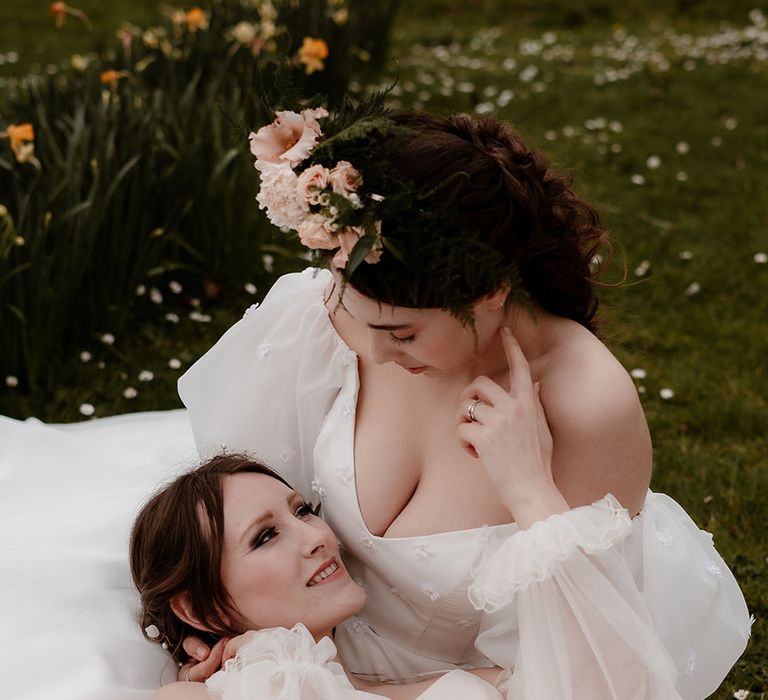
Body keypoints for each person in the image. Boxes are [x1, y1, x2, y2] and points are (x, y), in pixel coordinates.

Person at [177, 108, 751, 697]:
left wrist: (531, 491)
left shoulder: (586, 407)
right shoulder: (346, 312)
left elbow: (590, 675)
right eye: (358, 314)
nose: (372, 353)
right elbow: (236, 497)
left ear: (491, 290)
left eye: (402, 334)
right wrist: (228, 628)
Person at [130, 453, 505, 699]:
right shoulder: (195, 696)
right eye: (265, 536)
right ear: (196, 609)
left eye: (303, 511)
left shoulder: (452, 685)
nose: (319, 537)